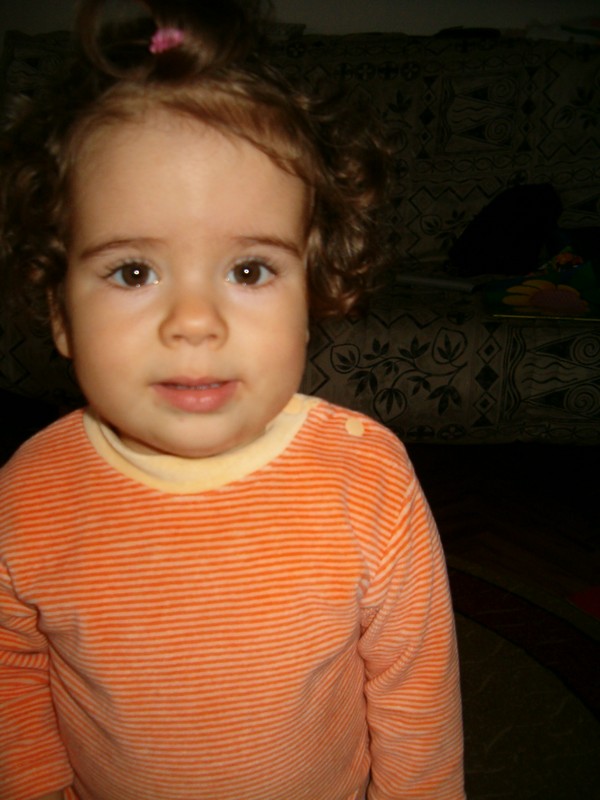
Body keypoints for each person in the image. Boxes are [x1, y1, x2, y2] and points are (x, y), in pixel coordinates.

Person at [0, 1, 464, 798]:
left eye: (249, 270)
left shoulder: (368, 483)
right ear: (61, 315)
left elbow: (416, 691)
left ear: (312, 292)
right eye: (133, 272)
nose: (194, 322)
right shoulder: (27, 498)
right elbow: (12, 672)